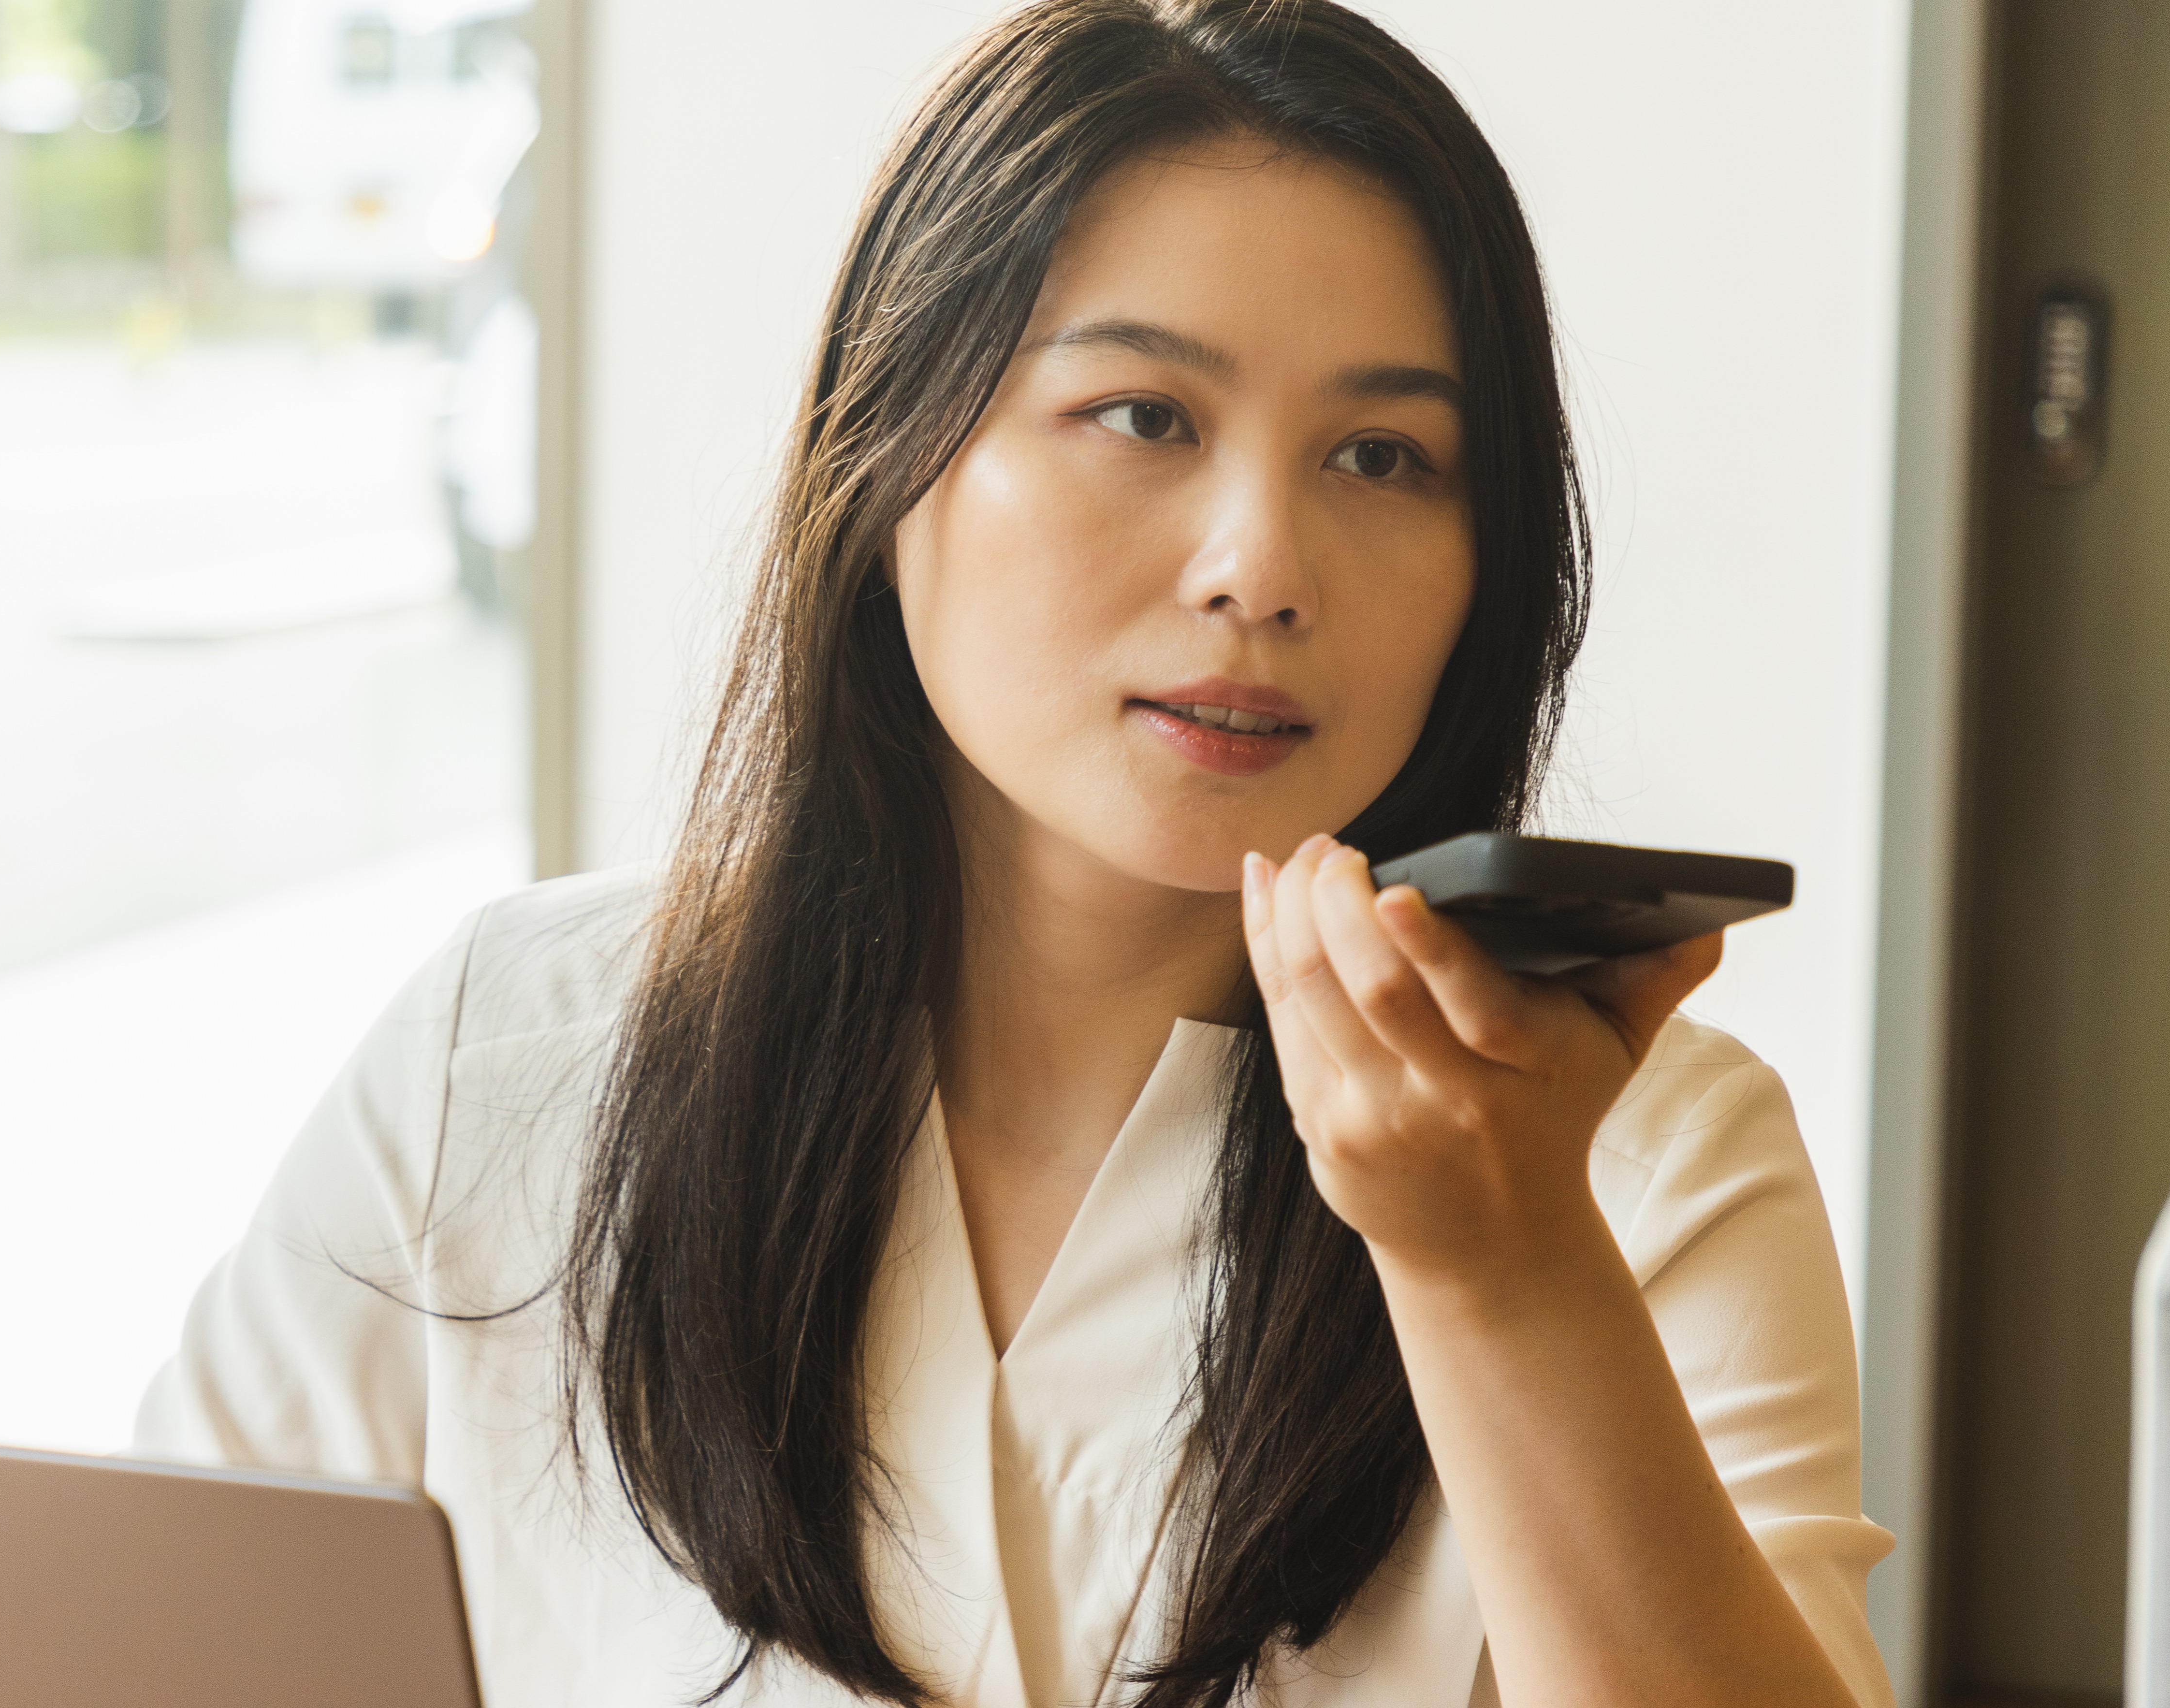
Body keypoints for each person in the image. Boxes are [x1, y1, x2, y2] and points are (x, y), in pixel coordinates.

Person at [132, 3, 1892, 1704]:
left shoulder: (1640, 1166)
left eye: (1381, 456)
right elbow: (132, 1645)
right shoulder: (508, 1055)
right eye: (1145, 416)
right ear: (891, 452)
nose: (1259, 566)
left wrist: (1503, 1276)